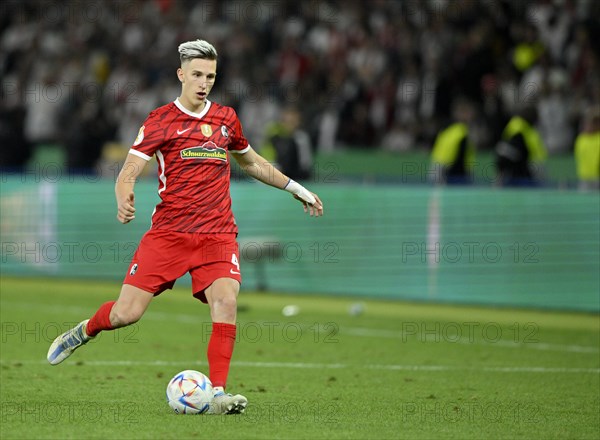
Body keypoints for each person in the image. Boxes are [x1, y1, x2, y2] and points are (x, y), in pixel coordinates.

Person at [47, 40, 324, 415]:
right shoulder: (160, 120)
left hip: (217, 234)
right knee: (126, 314)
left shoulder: (226, 118)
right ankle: (84, 331)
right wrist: (123, 195)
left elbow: (253, 163)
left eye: (210, 76)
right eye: (196, 74)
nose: (204, 82)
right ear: (181, 74)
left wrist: (297, 188)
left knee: (226, 302)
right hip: (169, 234)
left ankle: (219, 393)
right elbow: (128, 170)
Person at [495, 106, 547, 187]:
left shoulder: (521, 128)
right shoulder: (518, 131)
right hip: (519, 179)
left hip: (525, 177)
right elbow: (505, 157)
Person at [429, 98, 476, 185]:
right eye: (469, 112)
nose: (472, 115)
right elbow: (460, 158)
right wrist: (464, 177)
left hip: (436, 167)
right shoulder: (462, 132)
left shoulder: (446, 129)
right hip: (449, 172)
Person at [260, 105, 313, 181]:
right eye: (286, 121)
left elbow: (305, 166)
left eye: (292, 121)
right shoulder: (274, 137)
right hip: (276, 177)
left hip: (297, 179)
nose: (289, 125)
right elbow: (265, 158)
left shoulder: (301, 138)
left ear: (298, 121)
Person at [574, 108, 600, 191]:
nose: (589, 126)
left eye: (593, 124)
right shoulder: (581, 139)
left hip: (597, 177)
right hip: (584, 177)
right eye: (587, 123)